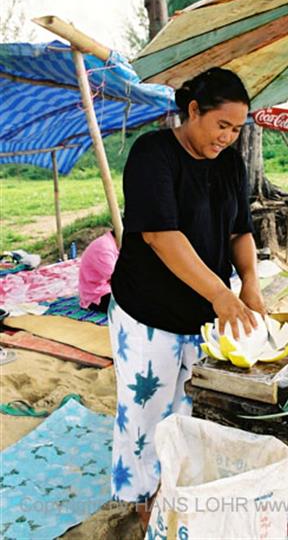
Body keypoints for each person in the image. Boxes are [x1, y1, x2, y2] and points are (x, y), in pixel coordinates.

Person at [109, 67, 266, 528]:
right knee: (144, 414)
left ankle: (175, 492)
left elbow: (241, 231)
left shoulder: (230, 164)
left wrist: (250, 283)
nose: (229, 138)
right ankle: (139, 505)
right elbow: (160, 235)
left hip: (202, 317)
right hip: (148, 313)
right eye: (222, 125)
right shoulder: (153, 154)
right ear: (193, 110)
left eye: (238, 129)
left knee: (190, 409)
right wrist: (222, 293)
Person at [78, 230, 119, 313]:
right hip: (97, 295)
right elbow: (117, 280)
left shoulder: (113, 244)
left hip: (106, 288)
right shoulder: (104, 248)